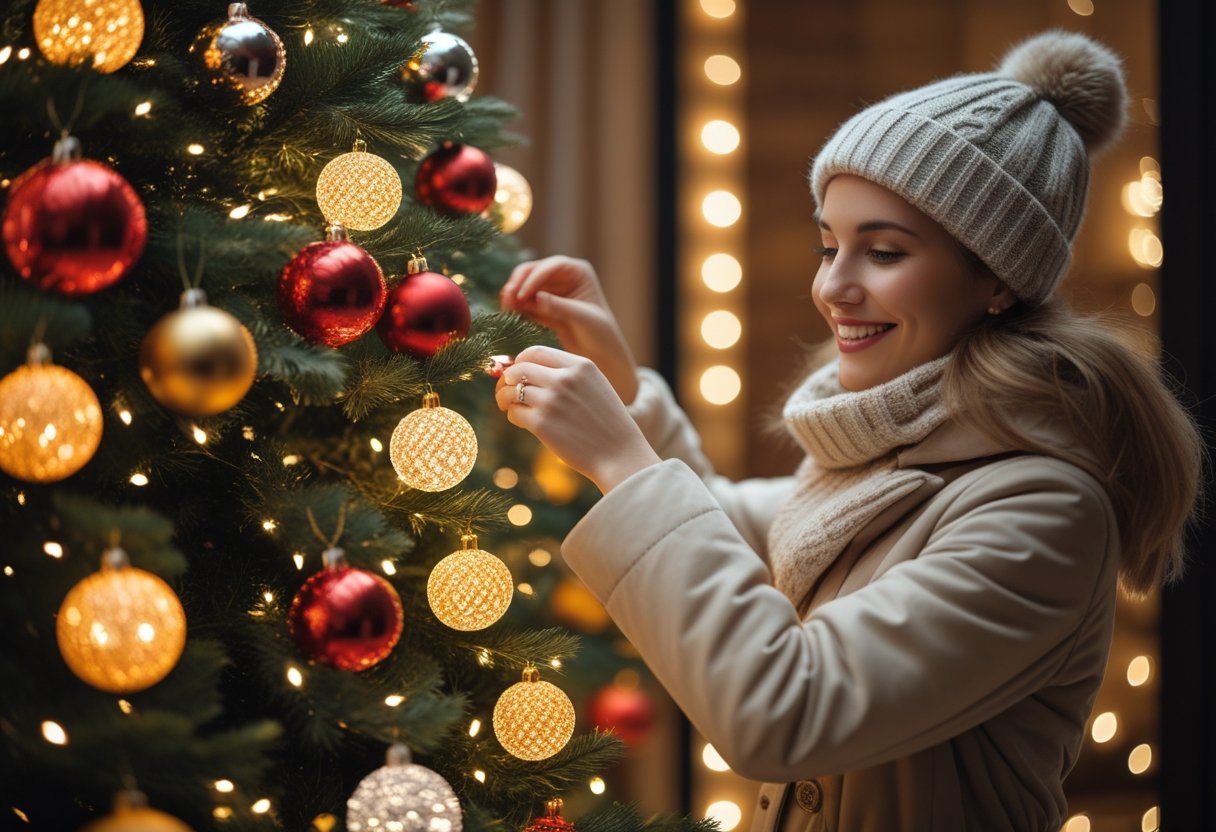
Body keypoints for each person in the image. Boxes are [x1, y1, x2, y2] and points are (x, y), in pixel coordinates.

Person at [494, 30, 1205, 832]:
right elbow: (732, 534)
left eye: (884, 252)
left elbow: (784, 712)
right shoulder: (895, 446)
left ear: (998, 277)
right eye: (828, 245)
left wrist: (622, 459)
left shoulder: (1045, 512)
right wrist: (624, 392)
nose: (833, 286)